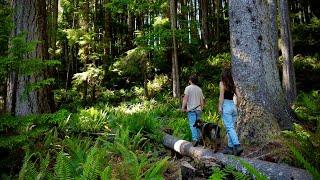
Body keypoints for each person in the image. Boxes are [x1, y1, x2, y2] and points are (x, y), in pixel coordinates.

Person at [218, 67, 243, 156]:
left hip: (226, 106)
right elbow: (239, 97)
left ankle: (237, 145)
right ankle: (230, 147)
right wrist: (237, 105)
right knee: (231, 127)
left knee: (229, 128)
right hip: (233, 106)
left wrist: (220, 107)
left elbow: (221, 97)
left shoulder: (222, 83)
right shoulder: (233, 84)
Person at [181, 75, 205, 146]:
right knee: (198, 125)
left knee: (193, 125)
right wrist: (202, 108)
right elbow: (202, 101)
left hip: (191, 110)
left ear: (190, 80)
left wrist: (183, 108)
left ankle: (195, 140)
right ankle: (200, 139)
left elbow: (185, 99)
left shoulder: (187, 88)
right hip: (198, 109)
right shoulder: (199, 89)